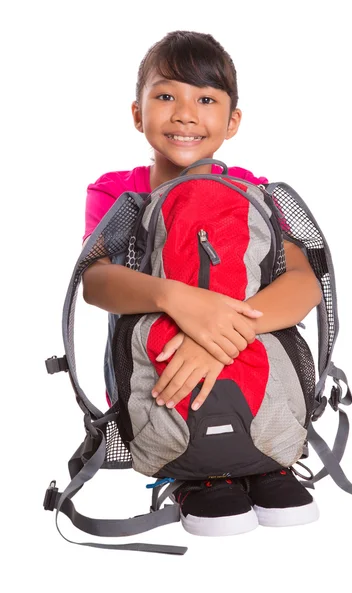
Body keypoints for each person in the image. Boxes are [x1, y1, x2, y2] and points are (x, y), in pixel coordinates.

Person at [82, 30, 322, 536]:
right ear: (136, 112)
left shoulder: (253, 191)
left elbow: (303, 285)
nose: (186, 114)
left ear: (232, 121)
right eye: (166, 95)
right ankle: (195, 471)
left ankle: (266, 457)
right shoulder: (117, 192)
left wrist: (218, 341)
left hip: (245, 357)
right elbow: (96, 282)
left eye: (206, 99)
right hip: (160, 378)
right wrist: (177, 298)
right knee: (170, 364)